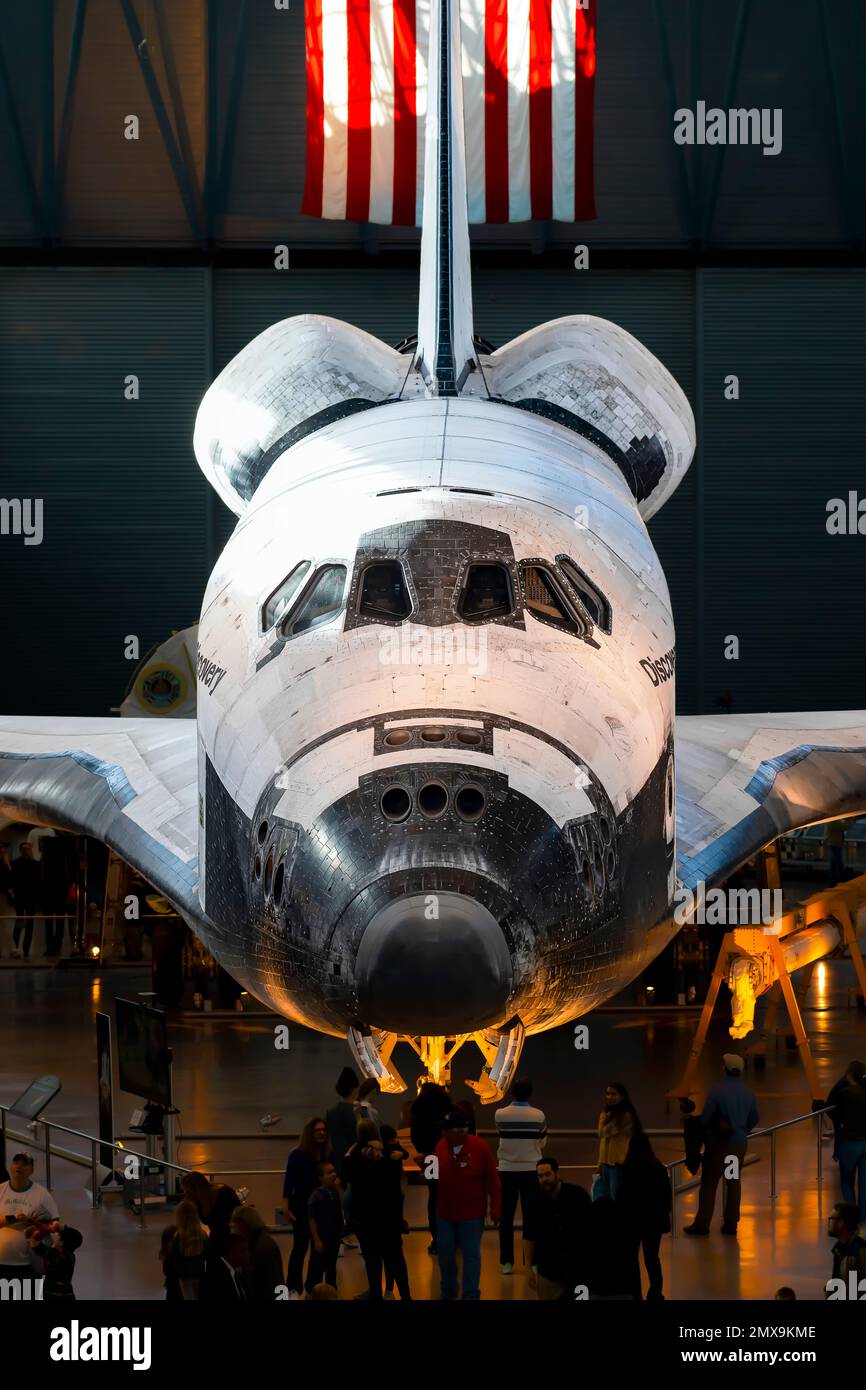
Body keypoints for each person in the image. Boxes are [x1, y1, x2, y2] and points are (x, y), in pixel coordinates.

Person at [685, 1054, 758, 1236]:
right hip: (737, 1146)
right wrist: (743, 1131)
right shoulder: (748, 1092)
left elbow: (706, 1117)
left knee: (710, 1183)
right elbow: (755, 1117)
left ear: (724, 1068)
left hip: (718, 1146)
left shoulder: (717, 1090)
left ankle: (702, 1224)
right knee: (732, 1181)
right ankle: (731, 1224)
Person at [434, 1110, 500, 1301]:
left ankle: (471, 1294)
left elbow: (493, 1181)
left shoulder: (480, 1147)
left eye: (446, 1130)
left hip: (471, 1215)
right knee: (445, 1253)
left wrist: (495, 1208)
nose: (443, 1134)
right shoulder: (440, 1145)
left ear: (460, 1132)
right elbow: (434, 1175)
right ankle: (448, 1290)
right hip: (444, 1213)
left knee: (471, 1255)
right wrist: (425, 1168)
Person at [494, 1077, 547, 1273]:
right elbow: (542, 1142)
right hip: (531, 1170)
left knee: (506, 1217)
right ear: (530, 1093)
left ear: (511, 1092)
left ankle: (507, 1262)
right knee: (531, 1217)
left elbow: (501, 1134)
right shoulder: (538, 1115)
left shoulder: (500, 1114)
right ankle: (532, 1262)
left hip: (507, 1170)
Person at [523, 1157, 591, 1301]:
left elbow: (591, 1230)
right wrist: (528, 1269)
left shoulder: (578, 1195)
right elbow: (528, 1237)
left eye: (547, 1174)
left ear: (557, 1173)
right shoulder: (533, 1203)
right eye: (540, 1176)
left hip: (578, 1270)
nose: (544, 1179)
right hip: (548, 1272)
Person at [617, 1132, 672, 1300]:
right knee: (652, 1258)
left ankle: (634, 1293)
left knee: (631, 1259)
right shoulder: (658, 1167)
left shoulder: (628, 1168)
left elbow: (622, 1197)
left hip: (632, 1222)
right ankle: (655, 1292)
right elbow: (666, 1195)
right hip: (653, 1222)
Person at [282, 1117, 332, 1297]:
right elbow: (289, 1182)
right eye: (318, 1130)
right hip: (301, 1206)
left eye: (324, 1130)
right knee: (300, 1248)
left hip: (321, 1207)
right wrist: (286, 1206)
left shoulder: (327, 1154)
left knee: (318, 1250)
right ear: (310, 1133)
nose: (322, 1133)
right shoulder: (297, 1155)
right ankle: (293, 1287)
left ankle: (313, 1286)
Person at [0, 1151, 60, 1295]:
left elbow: (55, 1225)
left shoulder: (41, 1194)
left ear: (32, 1170)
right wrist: (13, 1218)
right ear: (10, 1166)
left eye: (24, 1164)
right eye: (16, 1162)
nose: (19, 1167)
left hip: (29, 1266)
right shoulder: (1, 1190)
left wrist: (33, 1224)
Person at [344, 1121, 389, 1299]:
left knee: (369, 1255)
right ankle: (380, 1289)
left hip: (362, 1212)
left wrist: (347, 1154)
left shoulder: (355, 1154)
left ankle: (374, 1290)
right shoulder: (383, 1152)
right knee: (378, 1255)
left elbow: (346, 1176)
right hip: (380, 1210)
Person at [179, 1171, 239, 1292]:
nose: (186, 1195)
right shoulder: (198, 1202)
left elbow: (235, 1221)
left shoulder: (224, 1194)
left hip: (232, 1239)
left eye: (188, 1192)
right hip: (217, 1237)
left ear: (196, 1190)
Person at [410, 1079, 452, 1254]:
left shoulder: (418, 1108)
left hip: (429, 1158)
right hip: (448, 1157)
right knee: (450, 1195)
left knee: (434, 1195)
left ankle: (437, 1239)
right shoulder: (448, 1106)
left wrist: (424, 1151)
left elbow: (415, 1136)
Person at [828, 1061, 866, 1231]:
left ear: (849, 1074)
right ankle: (864, 1220)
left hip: (849, 1141)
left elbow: (834, 1112)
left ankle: (851, 1219)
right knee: (864, 1183)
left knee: (846, 1182)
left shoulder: (844, 1093)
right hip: (865, 1141)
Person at [583, 1195, 641, 1300]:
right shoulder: (625, 1237)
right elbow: (633, 1270)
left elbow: (580, 1272)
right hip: (622, 1291)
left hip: (594, 1291)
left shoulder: (586, 1238)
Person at [379, 1126, 412, 1300]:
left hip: (384, 1210)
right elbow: (405, 1154)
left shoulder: (377, 1153)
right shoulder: (393, 1151)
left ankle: (388, 1288)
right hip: (394, 1208)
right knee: (396, 1255)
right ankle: (401, 1293)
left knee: (386, 1255)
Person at [595, 1082, 640, 1201]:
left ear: (622, 1096)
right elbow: (604, 1141)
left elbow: (603, 1132)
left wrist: (603, 1116)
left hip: (618, 1165)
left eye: (613, 1094)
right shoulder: (610, 1113)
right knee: (605, 1198)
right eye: (607, 1094)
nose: (609, 1097)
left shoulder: (625, 1116)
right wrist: (600, 1162)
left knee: (616, 1199)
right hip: (606, 1164)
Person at [230, 1205, 284, 1300]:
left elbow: (275, 1283)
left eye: (236, 1226)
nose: (234, 1231)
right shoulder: (252, 1242)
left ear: (245, 1225)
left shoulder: (263, 1247)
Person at [307, 1161, 344, 1291]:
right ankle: (312, 1291)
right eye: (329, 1173)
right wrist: (316, 1240)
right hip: (322, 1239)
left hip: (334, 1238)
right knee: (317, 1267)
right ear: (320, 1178)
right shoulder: (316, 1195)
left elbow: (341, 1209)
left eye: (334, 1171)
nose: (334, 1174)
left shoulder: (334, 1192)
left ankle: (331, 1290)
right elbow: (311, 1219)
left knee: (331, 1267)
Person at [162, 1198, 207, 1299]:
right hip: (199, 1274)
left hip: (184, 1276)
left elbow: (171, 1258)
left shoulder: (178, 1236)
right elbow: (208, 1254)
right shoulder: (202, 1235)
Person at [29, 1223, 82, 1300]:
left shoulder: (59, 1257)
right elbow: (77, 1237)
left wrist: (44, 1231)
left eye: (58, 1236)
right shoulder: (69, 1255)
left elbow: (35, 1244)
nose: (55, 1236)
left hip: (55, 1296)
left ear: (62, 1242)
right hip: (64, 1294)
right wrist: (60, 1228)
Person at [325, 1067, 360, 1178]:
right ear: (354, 1089)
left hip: (338, 1164)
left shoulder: (331, 1112)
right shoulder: (360, 1112)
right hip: (358, 1162)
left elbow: (334, 1140)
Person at [10, 842, 40, 960]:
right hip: (20, 898)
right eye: (23, 849)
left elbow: (37, 883)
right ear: (20, 850)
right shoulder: (16, 864)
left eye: (27, 849)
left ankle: (26, 949)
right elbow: (13, 880)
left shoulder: (34, 864)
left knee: (29, 925)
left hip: (30, 898)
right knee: (20, 922)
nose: (25, 851)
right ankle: (16, 947)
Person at [826, 1203, 866, 1292]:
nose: (828, 1223)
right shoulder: (839, 1249)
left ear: (841, 1223)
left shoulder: (860, 1250)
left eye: (831, 1219)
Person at [824, 820, 845, 885]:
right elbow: (846, 827)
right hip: (836, 844)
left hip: (831, 843)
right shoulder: (837, 823)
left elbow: (826, 833)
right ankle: (840, 879)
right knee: (838, 862)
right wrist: (852, 819)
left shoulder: (828, 823)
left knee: (833, 863)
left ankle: (832, 880)